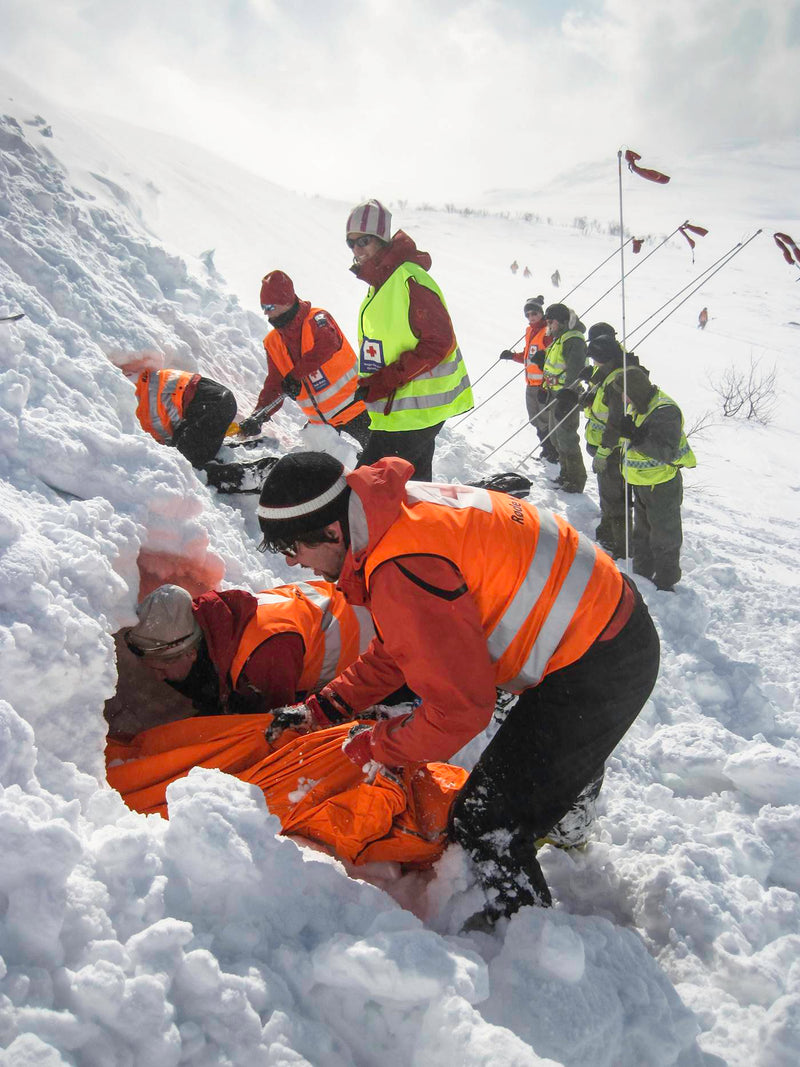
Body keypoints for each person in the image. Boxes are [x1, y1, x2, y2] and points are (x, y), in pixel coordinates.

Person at [254, 452, 661, 928]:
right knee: (542, 758)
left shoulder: (400, 566)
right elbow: (402, 646)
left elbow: (459, 713)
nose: (293, 563)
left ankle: (535, 952)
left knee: (485, 822)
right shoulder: (392, 511)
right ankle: (567, 798)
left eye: (292, 548)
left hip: (598, 662)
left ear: (332, 532)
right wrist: (326, 707)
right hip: (603, 615)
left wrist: (374, 746)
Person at [345, 198, 473, 481]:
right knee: (412, 491)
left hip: (415, 411)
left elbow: (438, 343)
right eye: (351, 243)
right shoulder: (381, 283)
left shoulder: (408, 279)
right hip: (401, 409)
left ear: (382, 239)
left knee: (366, 488)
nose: (357, 249)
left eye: (364, 240)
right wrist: (370, 383)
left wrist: (385, 380)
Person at [123, 581, 375, 719]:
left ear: (189, 653)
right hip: (353, 600)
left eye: (161, 668)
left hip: (379, 645)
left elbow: (280, 731)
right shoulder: (219, 620)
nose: (159, 677)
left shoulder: (262, 654)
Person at [239, 270, 370, 449]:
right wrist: (259, 415)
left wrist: (296, 376)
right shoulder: (273, 342)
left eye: (270, 307)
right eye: (263, 308)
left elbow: (328, 345)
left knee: (381, 464)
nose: (266, 313)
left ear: (285, 302)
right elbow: (275, 384)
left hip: (358, 412)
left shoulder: (317, 319)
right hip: (322, 425)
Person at [609, 367, 696, 591]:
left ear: (635, 391)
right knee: (642, 532)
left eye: (624, 393)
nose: (622, 398)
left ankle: (666, 581)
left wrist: (636, 436)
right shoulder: (637, 405)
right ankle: (642, 573)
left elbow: (665, 451)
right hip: (641, 482)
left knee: (664, 534)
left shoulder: (665, 411)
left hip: (662, 483)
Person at [579, 328, 640, 558]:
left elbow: (615, 421)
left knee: (616, 497)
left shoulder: (617, 380)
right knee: (607, 493)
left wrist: (604, 452)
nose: (593, 362)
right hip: (602, 445)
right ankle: (607, 531)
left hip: (613, 449)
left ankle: (621, 544)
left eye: (595, 357)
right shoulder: (605, 372)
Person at [499, 296, 557, 463]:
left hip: (543, 384)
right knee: (535, 419)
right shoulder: (530, 331)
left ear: (541, 313)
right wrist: (512, 356)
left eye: (534, 313)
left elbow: (553, 357)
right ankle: (546, 449)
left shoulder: (547, 332)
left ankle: (551, 452)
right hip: (530, 383)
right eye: (528, 314)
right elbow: (528, 355)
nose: (531, 317)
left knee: (544, 419)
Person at [542, 303, 588, 492]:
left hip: (566, 395)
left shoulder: (573, 339)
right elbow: (554, 365)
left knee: (567, 438)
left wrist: (568, 394)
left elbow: (576, 370)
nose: (548, 324)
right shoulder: (560, 338)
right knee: (556, 437)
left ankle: (576, 480)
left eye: (550, 320)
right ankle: (565, 474)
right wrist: (545, 387)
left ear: (560, 321)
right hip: (556, 393)